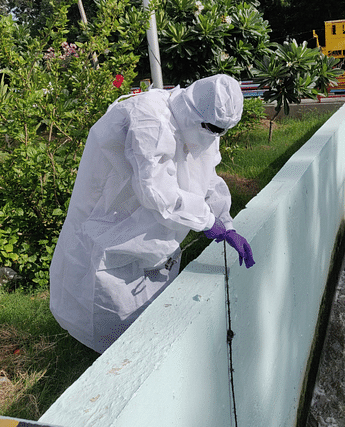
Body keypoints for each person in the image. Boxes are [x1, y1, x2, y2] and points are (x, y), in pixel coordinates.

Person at [49, 74, 255, 353]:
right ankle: (103, 354)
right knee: (106, 283)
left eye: (222, 130)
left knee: (146, 279)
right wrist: (208, 222)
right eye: (213, 128)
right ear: (194, 113)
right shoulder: (149, 119)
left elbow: (206, 176)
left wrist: (225, 222)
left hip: (142, 215)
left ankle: (139, 346)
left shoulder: (203, 125)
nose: (215, 136)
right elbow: (157, 192)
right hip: (111, 213)